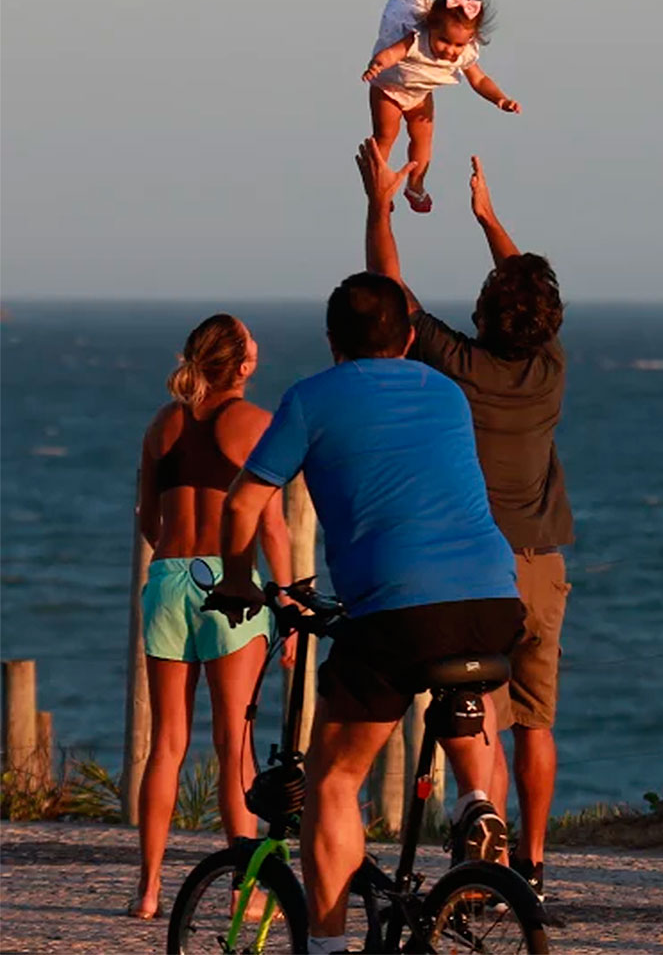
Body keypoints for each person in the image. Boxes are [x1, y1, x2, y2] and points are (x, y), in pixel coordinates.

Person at [212, 272, 525, 954]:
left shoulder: (309, 399)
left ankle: (325, 945)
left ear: (331, 341)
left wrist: (240, 582)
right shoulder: (445, 392)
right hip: (495, 596)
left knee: (334, 778)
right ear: (409, 337)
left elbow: (241, 504)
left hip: (397, 609)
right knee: (464, 702)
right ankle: (477, 803)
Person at [356, 136, 574, 901]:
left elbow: (392, 294)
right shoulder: (550, 367)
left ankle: (484, 866)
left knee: (484, 717)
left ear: (484, 311)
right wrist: (489, 218)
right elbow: (529, 297)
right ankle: (533, 869)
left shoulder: (459, 363)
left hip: (482, 567)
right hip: (545, 563)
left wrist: (379, 203)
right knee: (536, 724)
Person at [128, 313, 292, 920]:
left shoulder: (161, 424)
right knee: (234, 745)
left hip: (169, 581)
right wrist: (293, 594)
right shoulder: (255, 424)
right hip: (232, 584)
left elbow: (149, 519)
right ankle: (243, 895)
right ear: (243, 365)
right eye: (252, 342)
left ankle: (147, 891)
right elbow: (271, 522)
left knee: (166, 745)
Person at [362, 0, 520, 215]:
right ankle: (380, 185)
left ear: (471, 40)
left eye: (458, 45)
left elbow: (479, 80)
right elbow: (392, 53)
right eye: (445, 41)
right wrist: (377, 64)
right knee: (387, 135)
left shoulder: (464, 54)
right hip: (389, 89)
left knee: (423, 139)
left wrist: (501, 99)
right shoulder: (416, 39)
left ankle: (415, 184)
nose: (450, 50)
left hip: (420, 94)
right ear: (431, 27)